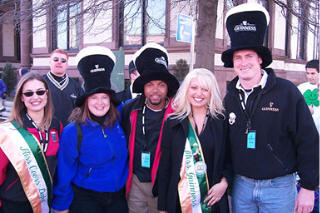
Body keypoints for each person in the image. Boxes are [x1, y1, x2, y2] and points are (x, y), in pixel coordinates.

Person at [222, 3, 319, 213]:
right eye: (238, 57)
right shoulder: (229, 97)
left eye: (249, 56)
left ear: (259, 59)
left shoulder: (287, 92)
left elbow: (308, 140)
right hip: (242, 187)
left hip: (280, 188)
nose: (243, 62)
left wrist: (309, 187)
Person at [52, 46, 128, 213]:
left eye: (104, 97)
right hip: (86, 198)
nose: (99, 103)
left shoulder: (120, 117)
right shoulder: (73, 131)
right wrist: (61, 205)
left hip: (118, 198)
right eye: (94, 97)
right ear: (85, 100)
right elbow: (65, 170)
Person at [158, 68, 230, 213]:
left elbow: (231, 157)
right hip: (180, 201)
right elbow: (165, 166)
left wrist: (224, 183)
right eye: (194, 88)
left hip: (212, 200)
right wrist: (163, 207)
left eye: (205, 89)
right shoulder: (172, 122)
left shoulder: (221, 121)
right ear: (186, 90)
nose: (199, 93)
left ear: (212, 93)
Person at [121, 42, 180, 213]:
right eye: (150, 85)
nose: (155, 90)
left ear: (167, 87)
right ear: (143, 88)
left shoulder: (177, 114)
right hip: (136, 184)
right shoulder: (129, 110)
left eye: (161, 85)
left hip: (163, 184)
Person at [0, 72, 62, 213]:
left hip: (47, 203)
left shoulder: (56, 126)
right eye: (29, 93)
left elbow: (59, 166)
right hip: (14, 204)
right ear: (21, 97)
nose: (35, 97)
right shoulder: (8, 131)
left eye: (40, 92)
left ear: (47, 94)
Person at [44, 49, 83, 126]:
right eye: (55, 59)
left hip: (69, 131)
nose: (59, 62)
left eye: (63, 60)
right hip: (46, 130)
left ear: (67, 64)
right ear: (50, 62)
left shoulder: (76, 86)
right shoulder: (41, 83)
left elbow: (81, 110)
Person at [298, 59, 320, 132]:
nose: (309, 77)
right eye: (307, 73)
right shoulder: (301, 87)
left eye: (313, 73)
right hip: (305, 130)